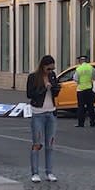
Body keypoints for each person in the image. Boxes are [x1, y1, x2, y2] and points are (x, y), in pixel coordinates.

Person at [26, 55, 61, 183]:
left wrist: (56, 88)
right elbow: (30, 94)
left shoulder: (52, 76)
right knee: (37, 144)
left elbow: (55, 92)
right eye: (48, 69)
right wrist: (43, 88)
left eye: (52, 69)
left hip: (51, 112)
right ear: (43, 67)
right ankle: (35, 172)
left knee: (50, 144)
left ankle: (49, 172)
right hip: (38, 113)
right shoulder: (33, 77)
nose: (50, 71)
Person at [73, 55, 95, 128]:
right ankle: (92, 122)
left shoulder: (79, 69)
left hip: (80, 90)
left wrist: (80, 82)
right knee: (90, 106)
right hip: (89, 89)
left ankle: (81, 123)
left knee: (81, 107)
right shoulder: (90, 68)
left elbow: (75, 79)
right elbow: (94, 77)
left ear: (80, 61)